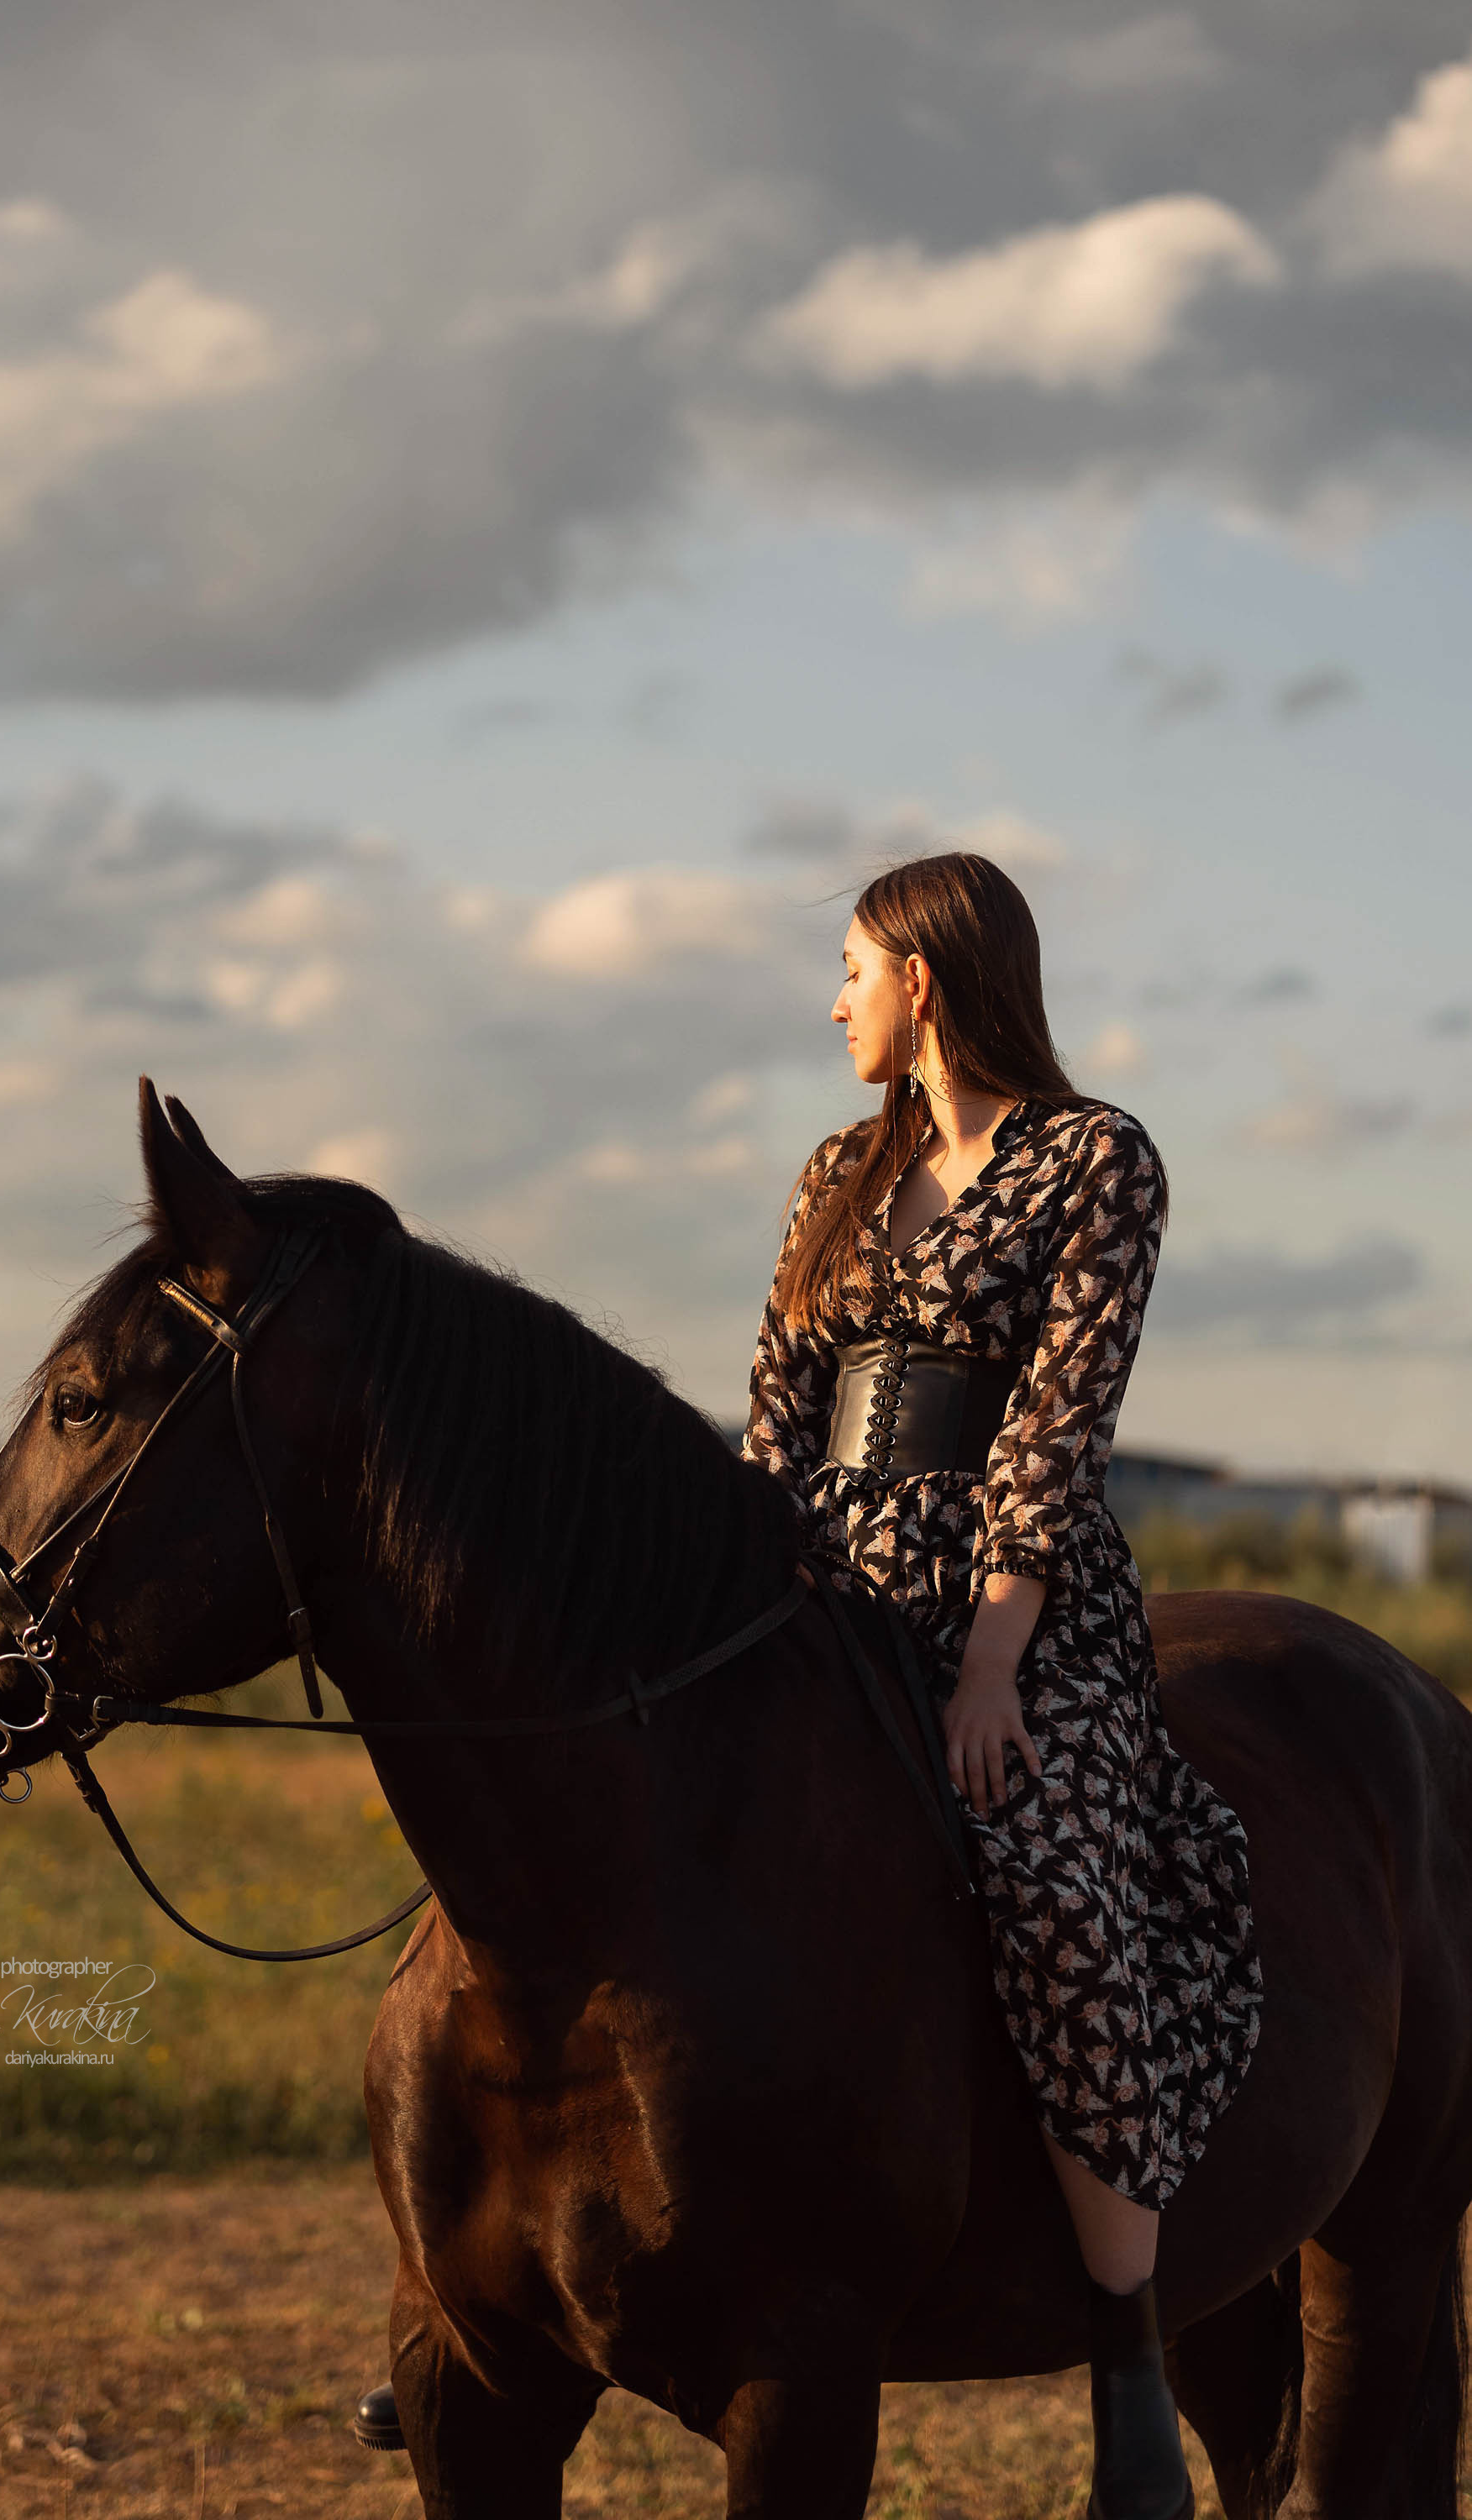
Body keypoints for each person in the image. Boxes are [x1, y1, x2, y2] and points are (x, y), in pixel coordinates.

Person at [743, 853, 1262, 2520]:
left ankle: (1127, 2355)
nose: (833, 1003)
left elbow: (1057, 1420)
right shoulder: (836, 1166)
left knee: (1048, 1881)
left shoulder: (1095, 1161)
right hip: (821, 1579)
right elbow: (776, 1408)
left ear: (926, 974)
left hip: (1016, 1599)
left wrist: (991, 1662)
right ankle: (500, 2294)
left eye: (849, 969)